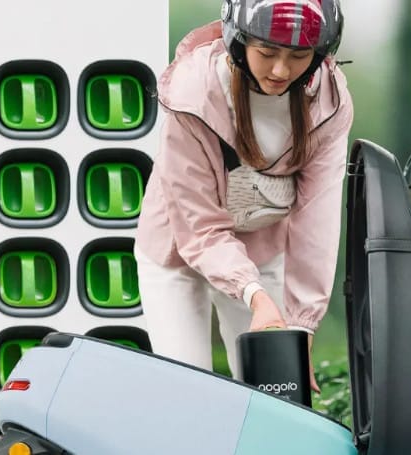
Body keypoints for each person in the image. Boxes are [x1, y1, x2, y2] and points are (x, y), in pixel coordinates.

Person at [134, 0, 353, 393]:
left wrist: (302, 324)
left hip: (264, 246)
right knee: (188, 391)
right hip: (177, 249)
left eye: (299, 55)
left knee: (273, 393)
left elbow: (317, 220)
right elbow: (200, 229)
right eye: (267, 53)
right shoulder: (191, 93)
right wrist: (254, 294)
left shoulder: (329, 102)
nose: (281, 70)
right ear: (238, 40)